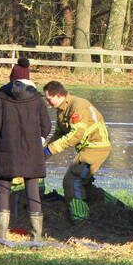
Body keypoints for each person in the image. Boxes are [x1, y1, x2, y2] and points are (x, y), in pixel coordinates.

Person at [0, 79, 52, 243]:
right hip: (32, 151)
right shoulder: (37, 99)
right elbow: (47, 125)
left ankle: (1, 235)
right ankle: (36, 236)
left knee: (3, 189)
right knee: (33, 190)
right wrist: (40, 140)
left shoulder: (1, 97)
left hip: (7, 150)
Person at [43, 81, 112, 223]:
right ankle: (116, 207)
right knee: (84, 185)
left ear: (58, 95)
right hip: (88, 147)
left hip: (96, 147)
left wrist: (50, 150)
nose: (48, 103)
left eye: (49, 99)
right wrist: (43, 150)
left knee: (72, 180)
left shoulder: (78, 106)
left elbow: (76, 135)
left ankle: (80, 219)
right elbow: (60, 133)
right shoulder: (62, 110)